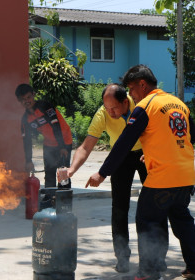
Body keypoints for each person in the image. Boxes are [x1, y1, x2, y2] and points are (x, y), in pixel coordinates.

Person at [83, 65, 195, 280]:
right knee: (182, 220)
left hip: (162, 177)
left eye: (132, 89)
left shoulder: (145, 106)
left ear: (142, 85)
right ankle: (193, 265)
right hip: (185, 175)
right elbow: (187, 136)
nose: (131, 94)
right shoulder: (179, 104)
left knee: (147, 220)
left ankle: (148, 273)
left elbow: (124, 143)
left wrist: (102, 173)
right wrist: (154, 152)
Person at [59, 83, 167, 273]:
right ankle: (122, 256)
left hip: (146, 154)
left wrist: (155, 153)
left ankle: (158, 256)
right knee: (119, 207)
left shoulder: (140, 106)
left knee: (156, 203)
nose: (110, 112)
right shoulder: (102, 114)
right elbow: (86, 146)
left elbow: (161, 132)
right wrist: (72, 169)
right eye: (106, 108)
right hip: (120, 157)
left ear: (126, 102)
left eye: (114, 108)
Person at [15, 84, 72, 188]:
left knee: (63, 173)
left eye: (28, 97)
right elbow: (27, 141)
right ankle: (50, 197)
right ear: (19, 101)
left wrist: (62, 147)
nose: (27, 101)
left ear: (33, 95)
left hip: (64, 140)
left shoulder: (45, 106)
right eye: (23, 99)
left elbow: (56, 126)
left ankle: (64, 200)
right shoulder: (25, 120)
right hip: (48, 144)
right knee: (49, 172)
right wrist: (28, 160)